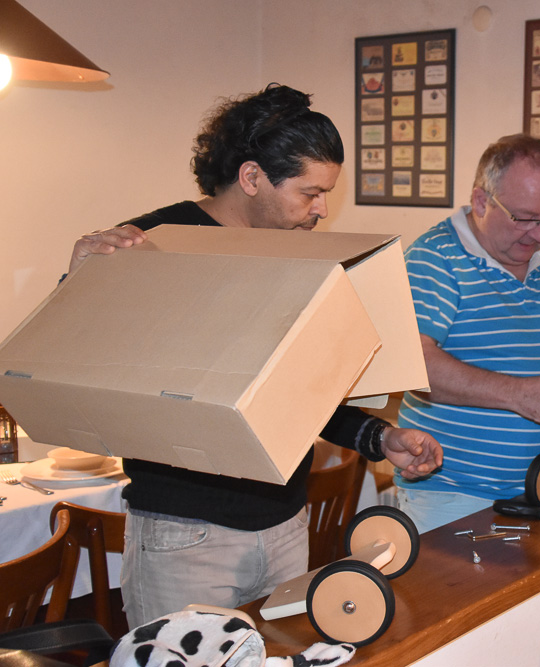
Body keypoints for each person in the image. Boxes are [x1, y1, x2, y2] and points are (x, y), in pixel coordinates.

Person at [67, 83, 443, 628]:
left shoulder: (297, 251)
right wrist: (76, 281)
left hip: (286, 525)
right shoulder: (153, 244)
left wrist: (380, 439)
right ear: (251, 177)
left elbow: (303, 389)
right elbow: (76, 357)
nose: (322, 210)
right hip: (185, 537)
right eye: (310, 193)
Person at [395, 134, 540, 533]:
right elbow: (413, 365)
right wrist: (520, 395)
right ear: (481, 202)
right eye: (524, 218)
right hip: (455, 497)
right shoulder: (434, 258)